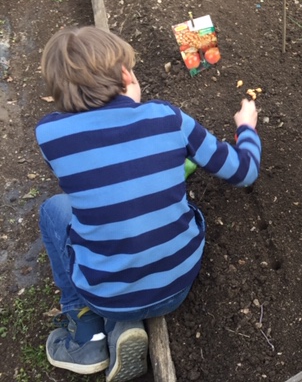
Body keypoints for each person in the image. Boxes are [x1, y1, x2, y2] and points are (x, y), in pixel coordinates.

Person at [35, 26, 261, 381]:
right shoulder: (168, 118)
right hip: (177, 284)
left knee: (55, 208)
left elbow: (91, 176)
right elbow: (244, 172)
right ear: (127, 76)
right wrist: (246, 127)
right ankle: (117, 323)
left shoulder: (50, 135)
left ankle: (88, 330)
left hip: (106, 296)